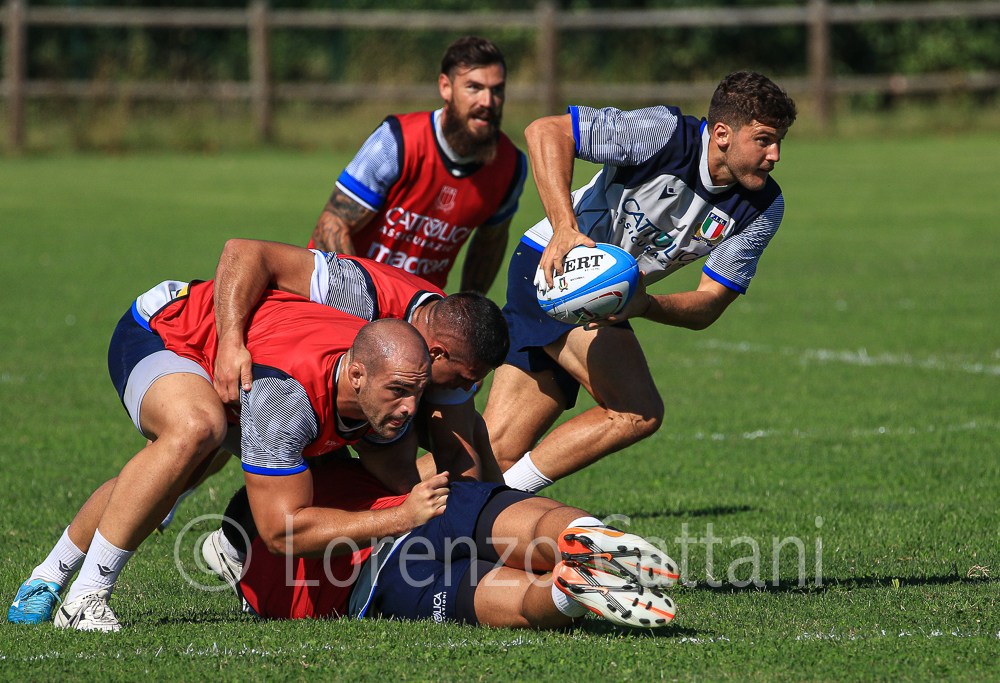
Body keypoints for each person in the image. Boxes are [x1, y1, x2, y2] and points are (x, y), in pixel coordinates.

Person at [7, 281, 443, 631]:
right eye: (399, 391)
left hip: (251, 375)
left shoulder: (386, 380)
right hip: (168, 330)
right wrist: (399, 518)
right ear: (357, 375)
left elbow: (401, 482)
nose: (410, 407)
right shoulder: (287, 400)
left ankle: (44, 578)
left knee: (173, 471)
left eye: (419, 392)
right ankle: (85, 599)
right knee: (197, 430)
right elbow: (282, 532)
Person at [485, 71, 798, 492]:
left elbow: (709, 303)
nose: (775, 155)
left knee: (496, 450)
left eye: (779, 141)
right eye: (764, 140)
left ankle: (404, 504)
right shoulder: (663, 134)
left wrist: (645, 305)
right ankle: (499, 504)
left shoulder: (763, 207)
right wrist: (564, 227)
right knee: (636, 410)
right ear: (723, 134)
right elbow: (546, 131)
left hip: (600, 301)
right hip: (554, 271)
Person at [216, 455, 680, 630]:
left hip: (384, 587)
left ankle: (566, 593)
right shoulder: (315, 477)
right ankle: (583, 535)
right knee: (539, 524)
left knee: (519, 602)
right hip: (424, 508)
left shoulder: (256, 588)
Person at [212, 238, 508, 481]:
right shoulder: (355, 295)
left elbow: (456, 453)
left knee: (470, 431)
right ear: (437, 354)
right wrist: (230, 343)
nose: (469, 387)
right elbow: (244, 251)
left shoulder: (455, 334)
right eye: (464, 379)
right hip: (215, 345)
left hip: (285, 382)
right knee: (204, 427)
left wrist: (469, 520)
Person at [309, 35, 527, 293]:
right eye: (474, 88)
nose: (487, 102)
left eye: (497, 90)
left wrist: (470, 307)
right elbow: (332, 225)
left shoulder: (510, 166)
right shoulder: (397, 141)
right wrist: (360, 302)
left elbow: (489, 244)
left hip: (419, 307)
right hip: (342, 294)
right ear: (445, 87)